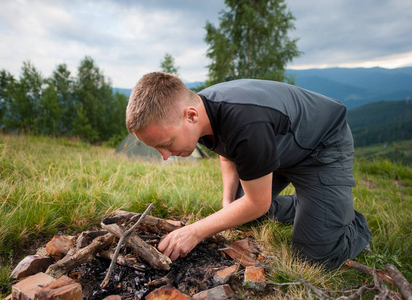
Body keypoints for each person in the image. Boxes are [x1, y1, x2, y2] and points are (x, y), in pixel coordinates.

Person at [125, 72, 371, 270]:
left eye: (166, 144)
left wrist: (194, 231)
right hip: (276, 148)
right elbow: (226, 150)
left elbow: (257, 202)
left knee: (313, 258)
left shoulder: (246, 122)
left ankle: (348, 221)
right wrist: (227, 200)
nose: (165, 156)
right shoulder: (199, 112)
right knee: (238, 209)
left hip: (320, 146)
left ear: (190, 116)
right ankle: (311, 206)